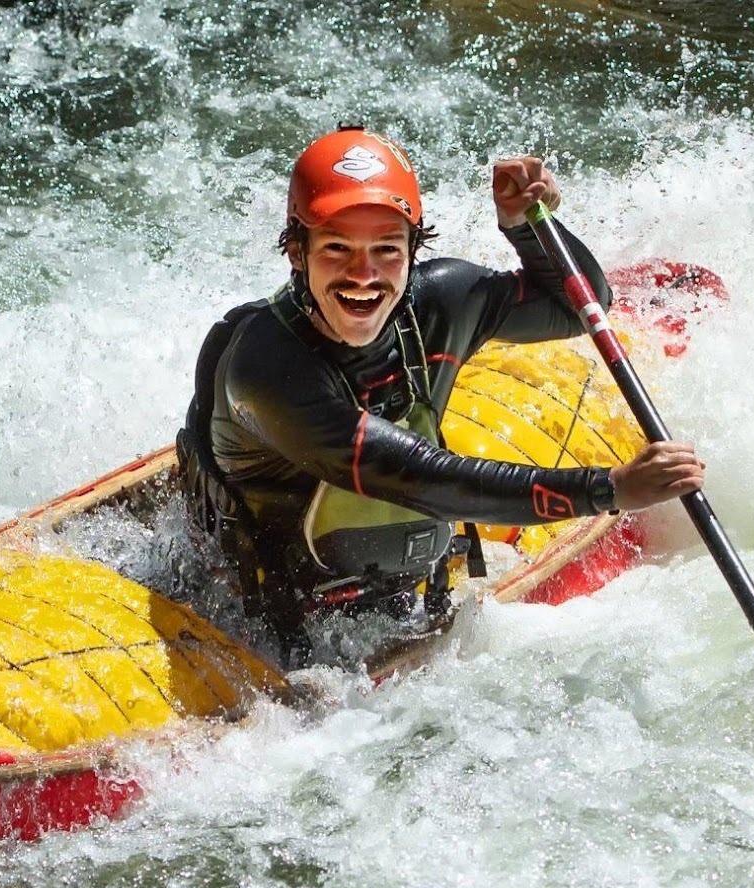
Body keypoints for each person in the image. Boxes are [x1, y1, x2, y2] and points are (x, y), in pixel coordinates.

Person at [178, 126, 704, 665]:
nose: (364, 274)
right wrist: (609, 489)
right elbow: (422, 479)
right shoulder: (268, 366)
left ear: (413, 250)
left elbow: (583, 305)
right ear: (296, 252)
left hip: (393, 588)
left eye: (386, 249)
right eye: (337, 248)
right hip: (264, 614)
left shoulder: (441, 301)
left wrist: (527, 228)